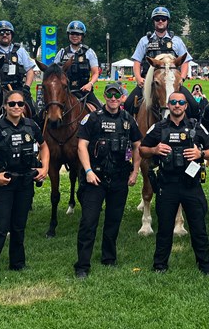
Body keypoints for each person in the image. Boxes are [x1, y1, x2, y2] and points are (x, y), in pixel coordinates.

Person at [140, 91, 209, 275]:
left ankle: (205, 266)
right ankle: (160, 265)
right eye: (173, 102)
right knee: (165, 228)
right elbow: (142, 149)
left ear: (185, 106)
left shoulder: (196, 127)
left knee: (198, 227)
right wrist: (154, 148)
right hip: (167, 184)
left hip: (191, 185)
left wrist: (201, 154)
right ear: (168, 105)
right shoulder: (158, 128)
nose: (177, 105)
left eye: (180, 102)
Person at [0, 90, 49, 282]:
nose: (16, 107)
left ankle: (17, 263)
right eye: (12, 104)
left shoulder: (31, 125)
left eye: (20, 104)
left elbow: (44, 146)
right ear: (5, 106)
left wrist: (45, 167)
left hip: (25, 183)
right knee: (0, 228)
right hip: (3, 183)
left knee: (19, 226)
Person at [73, 82, 142, 278]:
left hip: (120, 178)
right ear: (104, 96)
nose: (113, 98)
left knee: (114, 220)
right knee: (88, 221)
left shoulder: (129, 120)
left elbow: (138, 145)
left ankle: (109, 257)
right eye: (109, 95)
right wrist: (87, 170)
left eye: (117, 95)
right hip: (96, 178)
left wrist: (135, 171)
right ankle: (82, 265)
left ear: (122, 98)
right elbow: (81, 146)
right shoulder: (92, 118)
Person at [125, 6, 198, 118]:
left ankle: (194, 128)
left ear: (167, 21)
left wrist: (182, 78)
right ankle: (129, 131)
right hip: (149, 82)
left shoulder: (177, 41)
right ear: (153, 21)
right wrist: (139, 78)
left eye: (163, 19)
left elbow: (185, 61)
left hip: (172, 82)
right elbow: (137, 61)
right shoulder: (145, 41)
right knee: (128, 104)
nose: (160, 21)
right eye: (157, 19)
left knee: (193, 105)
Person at [0, 20, 36, 113]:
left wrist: (27, 87)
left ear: (12, 35)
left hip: (17, 88)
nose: (4, 35)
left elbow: (30, 70)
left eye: (7, 32)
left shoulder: (20, 51)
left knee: (32, 110)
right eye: (1, 33)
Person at [53, 20, 102, 110]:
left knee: (100, 112)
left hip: (84, 90)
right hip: (65, 91)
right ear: (68, 35)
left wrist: (90, 84)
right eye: (72, 34)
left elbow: (95, 73)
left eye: (78, 34)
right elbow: (53, 72)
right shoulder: (62, 53)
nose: (75, 36)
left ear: (82, 36)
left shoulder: (89, 53)